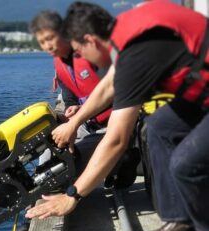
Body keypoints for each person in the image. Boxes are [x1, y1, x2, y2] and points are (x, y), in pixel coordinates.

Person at [26, 0, 209, 231]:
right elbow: (109, 85)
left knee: (185, 163)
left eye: (79, 49)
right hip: (200, 94)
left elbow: (116, 139)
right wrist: (76, 122)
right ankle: (178, 219)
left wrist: (72, 196)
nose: (81, 57)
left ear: (90, 40)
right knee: (158, 126)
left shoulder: (136, 55)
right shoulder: (125, 29)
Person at [29, 10, 139, 180]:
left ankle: (124, 160)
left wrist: (77, 118)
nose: (47, 46)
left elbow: (117, 93)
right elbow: (69, 100)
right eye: (42, 42)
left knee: (71, 164)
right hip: (87, 124)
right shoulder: (59, 63)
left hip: (114, 125)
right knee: (49, 153)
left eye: (50, 39)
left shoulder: (91, 54)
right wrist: (71, 113)